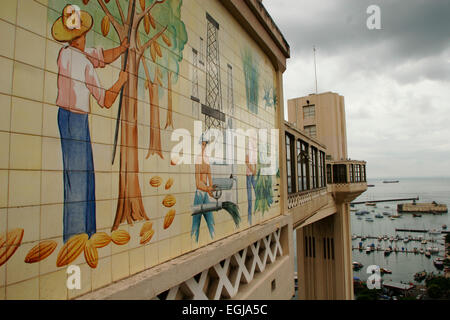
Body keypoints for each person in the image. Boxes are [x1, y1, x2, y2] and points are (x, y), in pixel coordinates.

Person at [51, 5, 128, 242]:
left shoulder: (66, 53)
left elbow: (100, 56)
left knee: (82, 177)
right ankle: (76, 235)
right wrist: (120, 82)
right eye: (84, 35)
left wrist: (121, 49)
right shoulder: (81, 63)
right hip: (75, 120)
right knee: (79, 179)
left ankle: (85, 233)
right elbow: (104, 100)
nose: (86, 38)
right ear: (78, 38)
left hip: (68, 118)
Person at [191, 133, 215, 242]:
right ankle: (193, 241)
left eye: (205, 144)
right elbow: (198, 183)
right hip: (199, 193)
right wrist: (207, 188)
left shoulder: (206, 159)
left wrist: (211, 189)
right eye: (202, 144)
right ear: (200, 145)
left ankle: (213, 238)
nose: (204, 147)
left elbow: (209, 175)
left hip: (205, 193)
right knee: (196, 222)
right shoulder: (198, 160)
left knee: (210, 220)